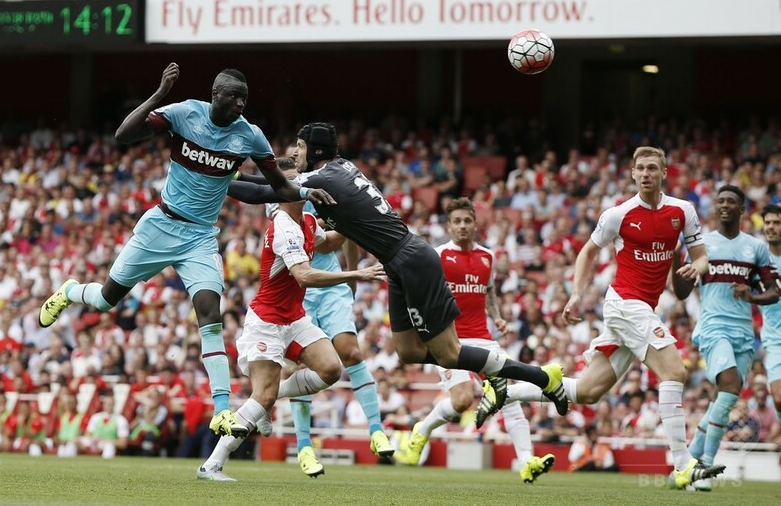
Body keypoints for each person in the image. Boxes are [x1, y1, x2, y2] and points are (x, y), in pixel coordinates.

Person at [38, 64, 334, 439]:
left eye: (244, 99)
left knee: (210, 315)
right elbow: (123, 135)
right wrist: (160, 94)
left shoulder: (250, 136)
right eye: (234, 97)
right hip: (161, 225)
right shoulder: (184, 113)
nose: (240, 104)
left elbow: (274, 186)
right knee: (105, 300)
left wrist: (306, 192)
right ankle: (70, 291)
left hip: (200, 238)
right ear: (216, 95)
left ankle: (222, 410)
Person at [227, 122, 569, 420]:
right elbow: (275, 188)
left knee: (450, 354)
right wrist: (231, 174)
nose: (295, 153)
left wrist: (218, 176)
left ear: (315, 150)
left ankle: (541, 377)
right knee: (409, 352)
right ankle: (491, 367)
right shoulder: (339, 168)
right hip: (398, 262)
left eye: (300, 147)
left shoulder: (322, 178)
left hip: (412, 260)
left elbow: (263, 192)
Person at [503, 146, 725, 490]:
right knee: (675, 371)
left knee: (587, 391)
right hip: (624, 303)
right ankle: (683, 465)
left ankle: (507, 392)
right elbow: (587, 252)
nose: (646, 173)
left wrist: (696, 267)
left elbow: (702, 256)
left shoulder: (683, 211)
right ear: (633, 174)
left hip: (643, 309)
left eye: (653, 168)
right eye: (641, 168)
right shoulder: (618, 214)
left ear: (664, 172)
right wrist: (577, 294)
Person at [197, 157, 386, 481]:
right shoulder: (283, 227)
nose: (302, 184)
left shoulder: (308, 220)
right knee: (263, 395)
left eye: (301, 179)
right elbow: (304, 276)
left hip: (294, 318)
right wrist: (357, 273)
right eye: (293, 181)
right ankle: (211, 465)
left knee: (330, 369)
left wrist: (354, 217)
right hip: (267, 322)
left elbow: (329, 242)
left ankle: (271, 399)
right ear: (280, 192)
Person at [395, 197, 555, 484]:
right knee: (462, 400)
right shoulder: (438, 256)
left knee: (507, 397)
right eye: (457, 221)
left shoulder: (487, 257)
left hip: (483, 337)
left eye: (467, 220)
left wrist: (498, 317)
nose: (462, 226)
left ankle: (527, 461)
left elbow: (488, 291)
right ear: (449, 226)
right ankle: (422, 429)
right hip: (448, 341)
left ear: (475, 224)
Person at [674, 188, 779, 491]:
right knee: (730, 386)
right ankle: (705, 466)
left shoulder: (755, 248)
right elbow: (681, 291)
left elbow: (774, 291)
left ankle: (684, 466)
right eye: (720, 201)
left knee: (726, 398)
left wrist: (752, 296)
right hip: (713, 327)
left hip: (744, 334)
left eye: (731, 202)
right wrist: (674, 261)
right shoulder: (702, 245)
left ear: (742, 210)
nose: (724, 205)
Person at [759, 204, 781, 432]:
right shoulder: (759, 261)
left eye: (776, 223)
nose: (771, 227)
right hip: (775, 341)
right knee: (779, 398)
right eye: (768, 223)